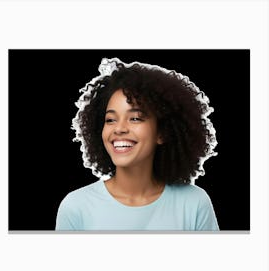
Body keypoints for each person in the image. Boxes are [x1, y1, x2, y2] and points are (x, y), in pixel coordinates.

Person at [55, 57, 219, 231]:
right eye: (110, 119)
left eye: (135, 118)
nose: (119, 128)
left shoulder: (194, 204)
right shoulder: (76, 208)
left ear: (162, 132)